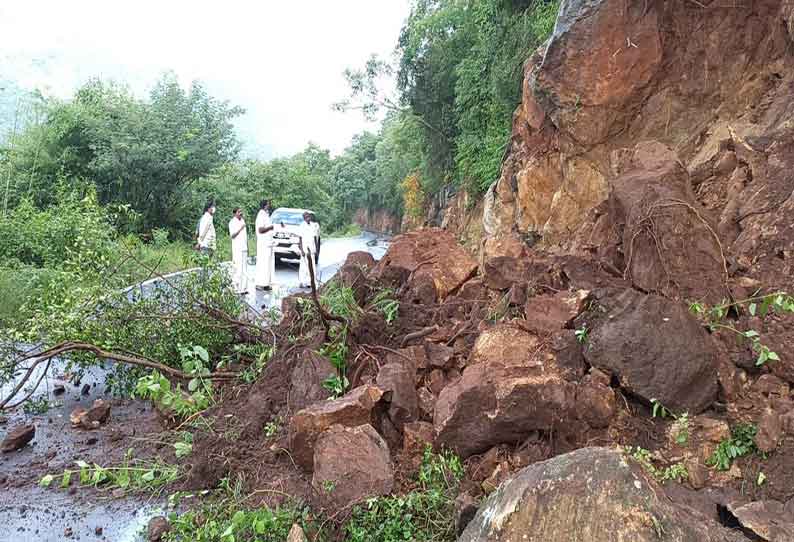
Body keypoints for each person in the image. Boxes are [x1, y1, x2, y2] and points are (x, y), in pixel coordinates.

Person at [254, 199, 278, 291]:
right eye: (268, 204)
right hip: (263, 243)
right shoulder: (260, 215)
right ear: (264, 205)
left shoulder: (266, 214)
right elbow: (260, 230)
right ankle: (260, 283)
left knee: (268, 264)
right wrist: (270, 227)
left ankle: (266, 283)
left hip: (269, 243)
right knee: (263, 263)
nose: (269, 205)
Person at [228, 207, 248, 294]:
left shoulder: (242, 221)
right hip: (237, 248)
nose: (241, 213)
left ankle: (243, 288)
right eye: (239, 212)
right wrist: (240, 228)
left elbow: (245, 236)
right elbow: (232, 235)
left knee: (244, 269)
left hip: (244, 248)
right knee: (237, 268)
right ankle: (236, 288)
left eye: (241, 211)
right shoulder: (232, 222)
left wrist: (248, 247)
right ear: (234, 213)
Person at [298, 211, 316, 288]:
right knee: (303, 267)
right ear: (304, 218)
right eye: (306, 217)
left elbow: (314, 238)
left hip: (311, 249)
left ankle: (310, 282)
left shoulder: (313, 225)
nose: (308, 218)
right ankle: (302, 282)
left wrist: (316, 249)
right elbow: (300, 239)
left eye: (309, 217)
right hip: (305, 249)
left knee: (312, 266)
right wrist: (301, 250)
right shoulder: (302, 226)